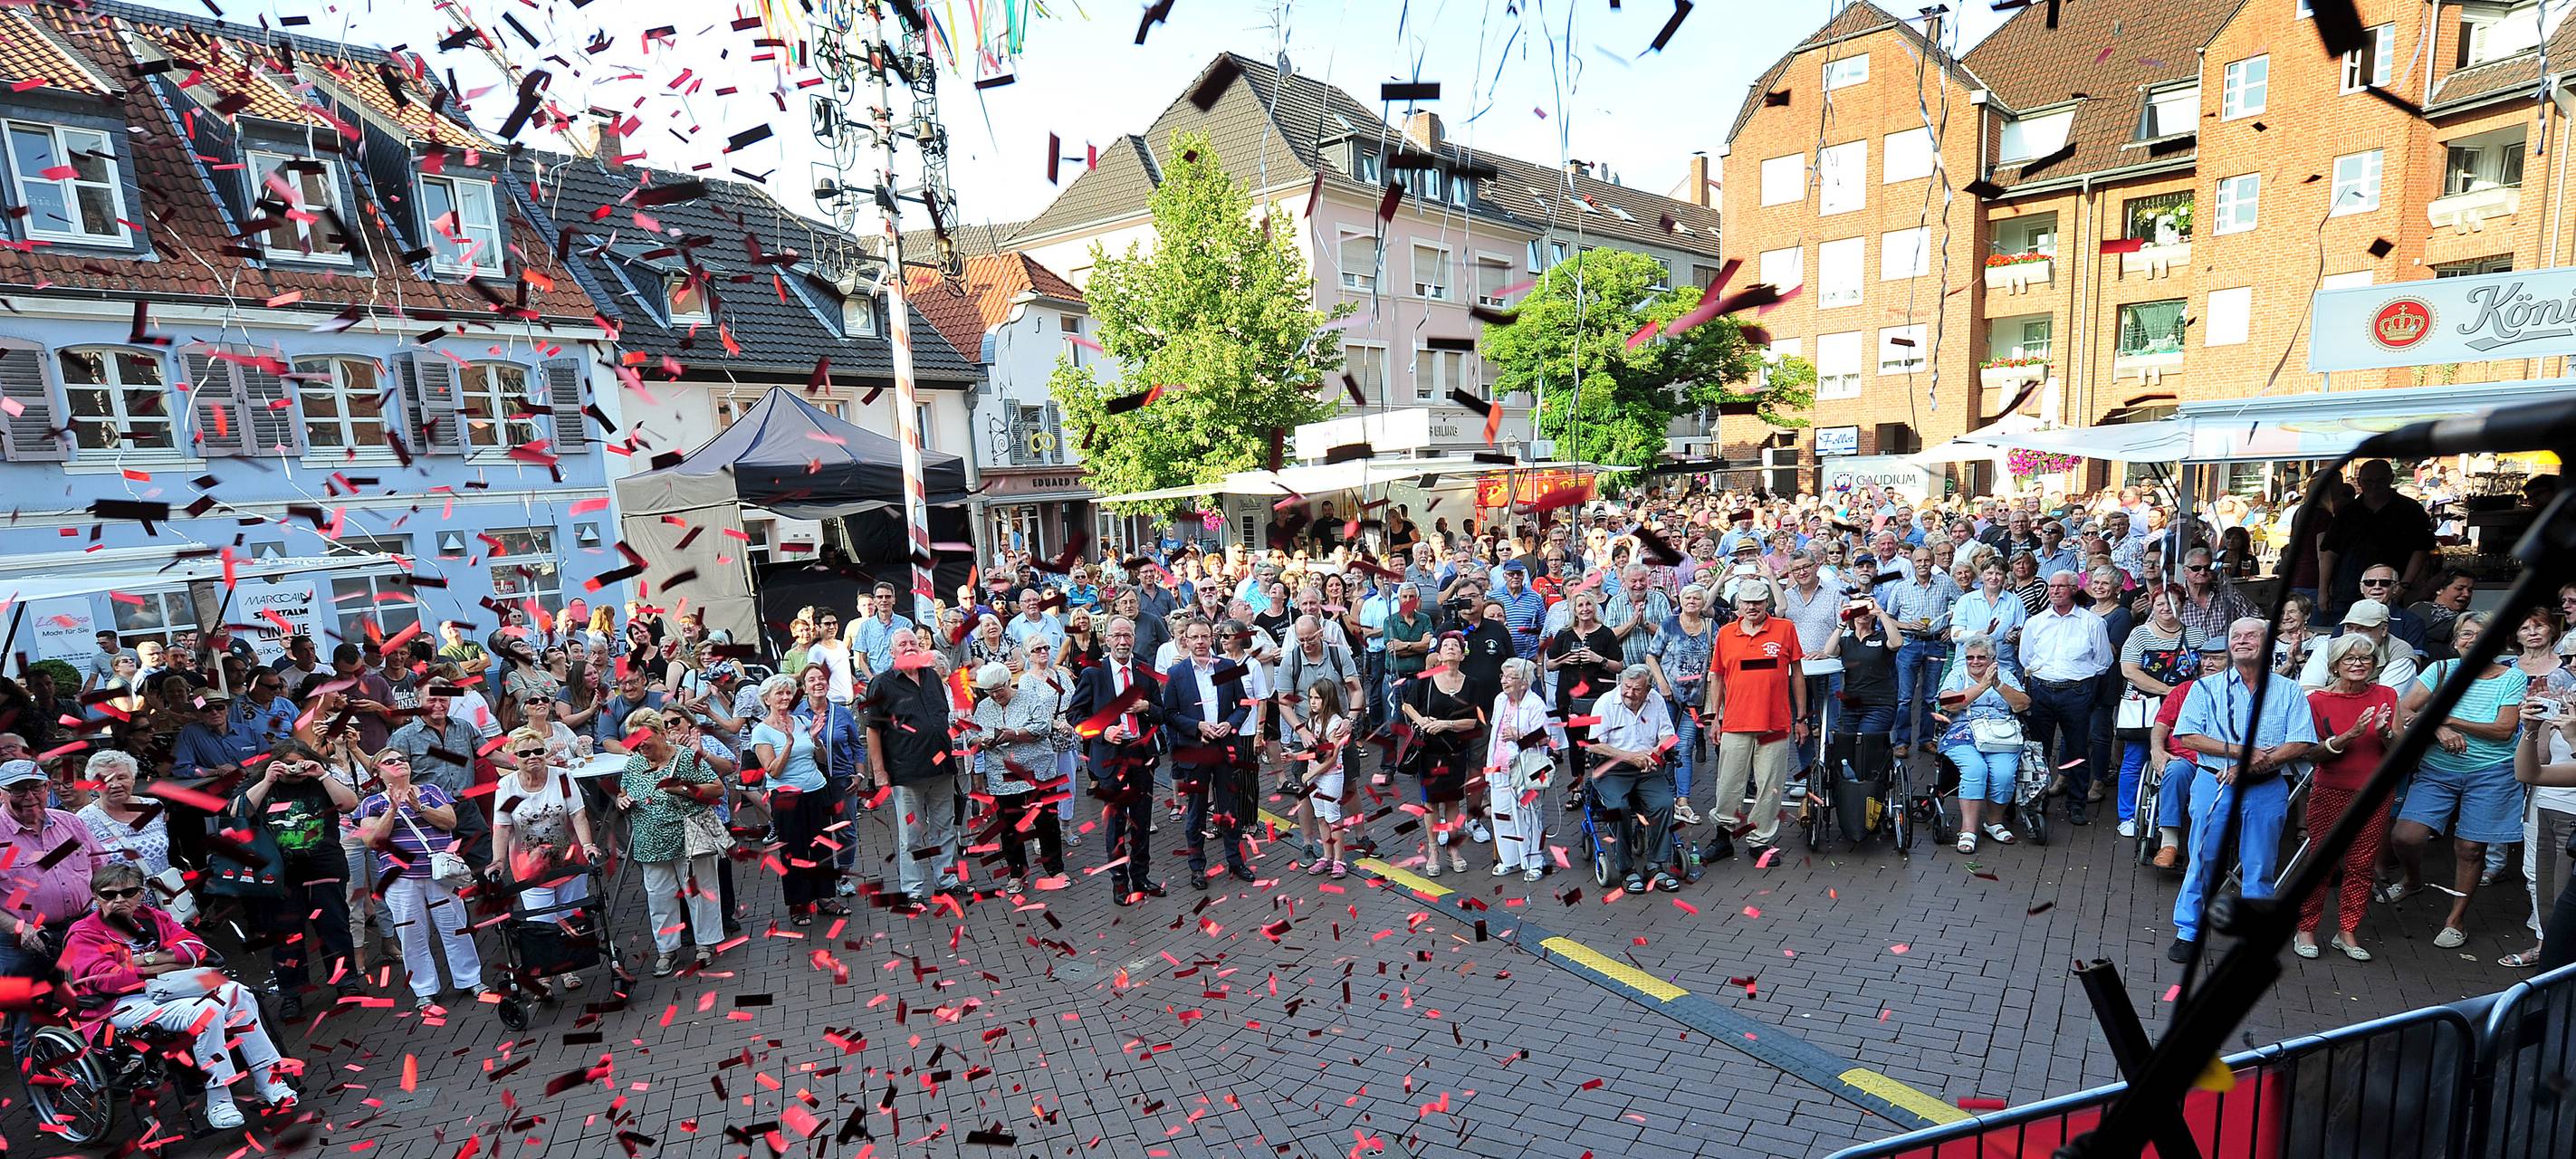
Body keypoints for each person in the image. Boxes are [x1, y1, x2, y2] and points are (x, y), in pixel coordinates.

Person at [62, 864, 297, 1129]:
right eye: (108, 894)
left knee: (238, 993)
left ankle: (269, 1080)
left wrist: (144, 961)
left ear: (140, 894)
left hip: (177, 986)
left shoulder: (153, 917)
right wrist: (169, 962)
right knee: (208, 1012)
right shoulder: (84, 933)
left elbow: (196, 949)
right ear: (96, 897)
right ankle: (219, 1099)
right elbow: (105, 979)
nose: (118, 900)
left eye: (128, 892)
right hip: (122, 1002)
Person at [2168, 617, 2322, 964]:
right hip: (2213, 783)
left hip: (2266, 787)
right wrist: (2242, 751)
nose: (2241, 640)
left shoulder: (2289, 690)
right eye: (2236, 636)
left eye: (2251, 635)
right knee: (2203, 860)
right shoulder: (2205, 688)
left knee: (2260, 865)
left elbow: (2302, 741)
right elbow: (2187, 735)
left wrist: (2253, 765)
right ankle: (2189, 931)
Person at [2388, 611, 2528, 950]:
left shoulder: (2512, 677)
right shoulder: (2439, 671)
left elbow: (2504, 730)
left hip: (2492, 772)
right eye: (2466, 634)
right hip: (2438, 769)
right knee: (2405, 836)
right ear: (2455, 641)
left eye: (2482, 634)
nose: (2472, 640)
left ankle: (2456, 920)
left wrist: (2449, 718)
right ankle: (2413, 880)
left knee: (2470, 848)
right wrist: (2437, 727)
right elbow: (2403, 711)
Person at [356, 746, 485, 1008]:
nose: (399, 762)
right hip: (400, 877)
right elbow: (372, 841)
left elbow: (450, 822)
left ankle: (471, 979)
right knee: (411, 934)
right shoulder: (371, 803)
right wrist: (392, 809)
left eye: (402, 758)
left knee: (456, 927)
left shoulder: (431, 791)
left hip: (441, 873)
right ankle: (424, 990)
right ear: (377, 773)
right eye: (390, 761)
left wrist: (420, 807)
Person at [2297, 634, 2399, 962]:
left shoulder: (2386, 695)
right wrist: (2349, 735)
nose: (2358, 664)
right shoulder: (2317, 700)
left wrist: (2385, 733)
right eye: (2350, 659)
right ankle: (2306, 927)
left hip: (2374, 792)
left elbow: (2400, 751)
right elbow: (2311, 754)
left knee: (2361, 865)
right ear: (2335, 665)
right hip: (2331, 789)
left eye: (2365, 658)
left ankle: (2347, 931)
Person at [2, 759, 104, 1055]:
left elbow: (101, 870)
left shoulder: (71, 823)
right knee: (28, 1026)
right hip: (18, 942)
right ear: (1, 793)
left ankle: (96, 1073)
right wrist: (21, 928)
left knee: (96, 1008)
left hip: (79, 933)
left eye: (36, 787)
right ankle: (37, 1083)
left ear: (48, 788)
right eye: (18, 790)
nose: (29, 797)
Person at [613, 709, 726, 975]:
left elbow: (717, 788)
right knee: (659, 898)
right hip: (650, 843)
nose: (641, 746)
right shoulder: (634, 764)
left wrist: (681, 788)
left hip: (689, 839)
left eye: (645, 740)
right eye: (635, 741)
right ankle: (667, 950)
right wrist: (622, 801)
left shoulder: (685, 757)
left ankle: (706, 944)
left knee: (699, 892)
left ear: (661, 734)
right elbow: (623, 792)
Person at [490, 727, 599, 990]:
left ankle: (569, 969)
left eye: (538, 751)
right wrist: (497, 861)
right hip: (530, 867)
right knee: (540, 923)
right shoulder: (508, 786)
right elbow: (502, 827)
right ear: (513, 757)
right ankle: (545, 973)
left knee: (570, 916)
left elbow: (578, 815)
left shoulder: (561, 777)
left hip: (568, 860)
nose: (533, 757)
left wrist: (587, 845)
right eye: (524, 753)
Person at [867, 628, 961, 912]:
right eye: (902, 644)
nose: (909, 646)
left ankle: (947, 880)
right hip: (906, 772)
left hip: (942, 768)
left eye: (913, 643)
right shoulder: (881, 684)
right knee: (911, 834)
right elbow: (873, 730)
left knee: (945, 828)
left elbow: (942, 717)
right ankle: (913, 889)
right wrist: (879, 772)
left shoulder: (932, 677)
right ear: (891, 652)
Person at [1708, 587, 1806, 857]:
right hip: (1735, 721)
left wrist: (1801, 717)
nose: (1752, 607)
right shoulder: (1726, 633)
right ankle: (1723, 837)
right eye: (1747, 602)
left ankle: (1760, 841)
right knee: (1729, 782)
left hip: (1775, 722)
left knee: (1770, 785)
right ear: (1738, 604)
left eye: (1758, 602)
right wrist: (1714, 718)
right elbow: (1717, 676)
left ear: (1766, 603)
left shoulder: (1785, 629)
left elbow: (1797, 674)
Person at [1164, 619, 1257, 887]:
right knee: (1196, 811)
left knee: (1229, 807)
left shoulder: (1226, 667)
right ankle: (1197, 867)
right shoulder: (1177, 673)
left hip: (1225, 746)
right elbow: (1170, 714)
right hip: (1197, 750)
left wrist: (1230, 723)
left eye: (1205, 636)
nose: (1200, 642)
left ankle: (1235, 861)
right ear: (1186, 640)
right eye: (1195, 637)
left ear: (1212, 638)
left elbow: (1244, 704)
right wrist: (1197, 727)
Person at [2020, 570, 2115, 825]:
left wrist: (2079, 678)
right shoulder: (2036, 622)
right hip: (2041, 690)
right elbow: (2026, 657)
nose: (2055, 591)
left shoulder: (2092, 622)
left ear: (2074, 589)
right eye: (2052, 586)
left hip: (2076, 692)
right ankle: (2038, 801)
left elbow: (2103, 661)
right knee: (2038, 750)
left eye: (2061, 586)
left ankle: (2076, 803)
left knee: (2077, 749)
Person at [963, 663, 1066, 894]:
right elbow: (971, 736)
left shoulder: (1029, 699)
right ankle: (1017, 873)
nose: (995, 695)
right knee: (1010, 826)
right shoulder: (984, 707)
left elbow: (1043, 727)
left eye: (998, 689)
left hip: (1037, 771)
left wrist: (1015, 734)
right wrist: (982, 742)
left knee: (1046, 822)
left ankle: (1055, 869)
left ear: (1009, 682)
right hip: (1002, 775)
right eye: (989, 691)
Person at [1585, 666, 1681, 894]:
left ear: (1648, 689)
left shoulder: (1655, 700)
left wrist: (1656, 751)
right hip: (1612, 768)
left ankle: (1655, 865)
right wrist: (1630, 757)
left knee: (1664, 804)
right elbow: (1594, 744)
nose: (1629, 693)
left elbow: (1668, 735)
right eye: (1626, 687)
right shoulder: (1606, 703)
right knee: (1618, 808)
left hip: (1647, 766)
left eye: (1637, 689)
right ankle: (1626, 868)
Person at [1939, 636, 2031, 854]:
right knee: (1975, 769)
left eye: (1981, 657)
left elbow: (2023, 704)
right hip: (1963, 733)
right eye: (1970, 657)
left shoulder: (2005, 675)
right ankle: (1968, 830)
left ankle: (1993, 822)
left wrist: (1997, 684)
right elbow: (1947, 704)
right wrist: (1982, 686)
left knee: (2004, 773)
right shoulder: (1957, 674)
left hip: (2000, 734)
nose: (1975, 662)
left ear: (1992, 659)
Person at [1402, 633, 1482, 877]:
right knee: (1431, 803)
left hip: (1455, 752)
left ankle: (1453, 848)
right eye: (1445, 645)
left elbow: (1473, 721)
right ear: (1438, 654)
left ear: (1462, 655)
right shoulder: (1426, 679)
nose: (1450, 649)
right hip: (1429, 751)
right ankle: (1433, 849)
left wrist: (1446, 724)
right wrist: (1422, 721)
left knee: (1453, 802)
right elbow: (1407, 705)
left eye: (1455, 646)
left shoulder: (1471, 684)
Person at [2318, 459, 2436, 618]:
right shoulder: (2347, 512)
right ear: (2359, 482)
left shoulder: (2411, 510)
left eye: (2380, 481)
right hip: (2347, 591)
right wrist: (2323, 591)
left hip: (2389, 592)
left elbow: (2421, 550)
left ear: (2391, 479)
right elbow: (2330, 552)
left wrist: (2404, 585)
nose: (2374, 486)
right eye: (2368, 481)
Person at [1648, 584, 1719, 826]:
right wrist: (1661, 683)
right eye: (1687, 597)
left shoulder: (1710, 627)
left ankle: (1683, 801)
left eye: (1697, 598)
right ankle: (1665, 793)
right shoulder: (1670, 623)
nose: (1691, 601)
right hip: (1667, 697)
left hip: (1695, 701)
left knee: (1684, 747)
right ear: (1681, 600)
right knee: (1666, 745)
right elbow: (1652, 656)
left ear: (1703, 602)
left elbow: (1719, 659)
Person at [1887, 545, 1962, 760]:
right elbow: (1889, 618)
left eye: (1927, 560)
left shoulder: (1945, 583)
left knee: (1930, 696)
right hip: (1909, 643)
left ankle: (1926, 739)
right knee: (1905, 697)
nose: (1923, 564)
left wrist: (1951, 626)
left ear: (1932, 561)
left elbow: (1962, 605)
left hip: (1936, 643)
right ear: (1912, 563)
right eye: (1919, 561)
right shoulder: (1901, 587)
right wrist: (1908, 625)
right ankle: (1902, 742)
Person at [1485, 657, 1553, 881]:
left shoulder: (1535, 704)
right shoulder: (1499, 699)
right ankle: (1510, 860)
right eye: (1502, 676)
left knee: (1528, 815)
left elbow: (1545, 738)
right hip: (1498, 766)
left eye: (1510, 677)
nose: (1504, 681)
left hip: (1526, 769)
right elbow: (1495, 733)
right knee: (1501, 814)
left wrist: (1519, 735)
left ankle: (1534, 863)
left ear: (1524, 683)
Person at [1293, 679, 1357, 878]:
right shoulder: (1313, 721)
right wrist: (1295, 756)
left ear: (1327, 699)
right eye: (1311, 697)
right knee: (1321, 818)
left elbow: (1331, 758)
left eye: (1317, 698)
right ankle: (1327, 856)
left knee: (1333, 819)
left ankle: (1339, 859)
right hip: (1316, 776)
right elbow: (1315, 752)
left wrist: (1309, 774)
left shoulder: (1336, 723)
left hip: (1330, 777)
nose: (1312, 702)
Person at [2299, 599, 2421, 692]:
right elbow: (2307, 690)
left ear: (2384, 629)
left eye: (2363, 628)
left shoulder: (2399, 651)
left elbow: (2389, 699)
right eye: (2349, 627)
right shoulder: (2328, 647)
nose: (2354, 634)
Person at [850, 582, 915, 682]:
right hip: (875, 680)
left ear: (894, 600)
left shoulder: (906, 624)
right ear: (875, 601)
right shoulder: (866, 626)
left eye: (888, 597)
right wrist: (872, 679)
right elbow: (861, 659)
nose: (884, 600)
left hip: (901, 679)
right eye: (880, 597)